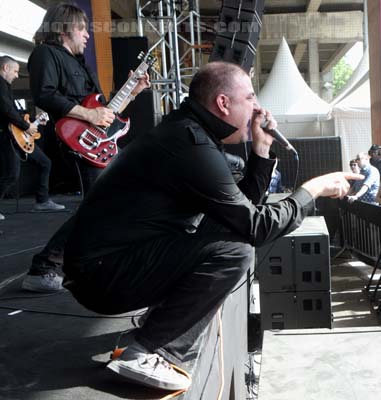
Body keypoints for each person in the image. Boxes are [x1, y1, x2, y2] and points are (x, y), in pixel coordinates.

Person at [61, 61, 361, 390]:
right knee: (236, 253)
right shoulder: (190, 144)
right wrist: (314, 189)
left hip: (110, 264)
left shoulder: (188, 132)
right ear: (223, 103)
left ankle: (153, 330)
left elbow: (238, 218)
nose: (258, 108)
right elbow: (254, 229)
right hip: (102, 276)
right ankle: (148, 350)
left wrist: (261, 150)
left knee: (230, 239)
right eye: (250, 98)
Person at [21, 4, 150, 292]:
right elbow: (45, 94)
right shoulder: (46, 54)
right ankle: (44, 266)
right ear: (64, 28)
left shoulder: (80, 63)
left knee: (106, 204)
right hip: (73, 140)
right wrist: (90, 115)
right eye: (82, 28)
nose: (87, 35)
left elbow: (105, 113)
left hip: (95, 140)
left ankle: (84, 262)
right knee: (98, 206)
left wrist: (133, 91)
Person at [0, 55, 65, 219]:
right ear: (5, 68)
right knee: (10, 175)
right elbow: (6, 110)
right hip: (8, 137)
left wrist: (33, 122)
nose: (16, 75)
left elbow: (14, 112)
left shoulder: (6, 87)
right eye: (15, 71)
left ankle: (42, 201)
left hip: (19, 136)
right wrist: (27, 126)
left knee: (45, 163)